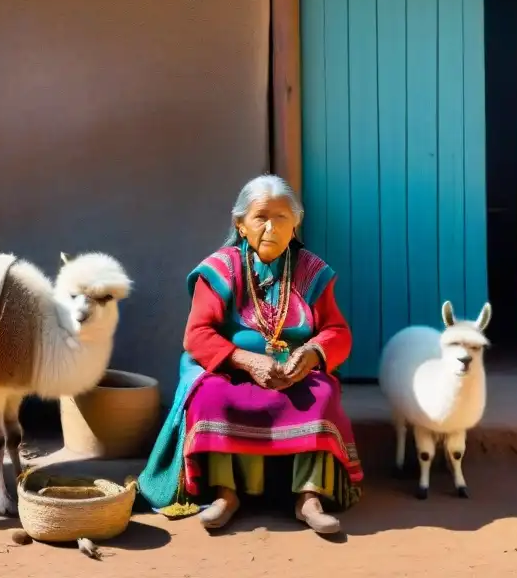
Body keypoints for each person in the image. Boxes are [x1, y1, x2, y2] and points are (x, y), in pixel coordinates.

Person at [138, 175, 363, 535]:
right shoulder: (219, 270)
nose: (271, 227)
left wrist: (311, 354)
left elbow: (337, 332)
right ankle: (226, 495)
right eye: (260, 217)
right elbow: (196, 335)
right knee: (211, 395)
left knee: (322, 393)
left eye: (282, 217)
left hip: (293, 373)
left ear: (296, 223)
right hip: (232, 370)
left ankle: (309, 496)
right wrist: (247, 360)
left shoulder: (313, 272)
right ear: (240, 224)